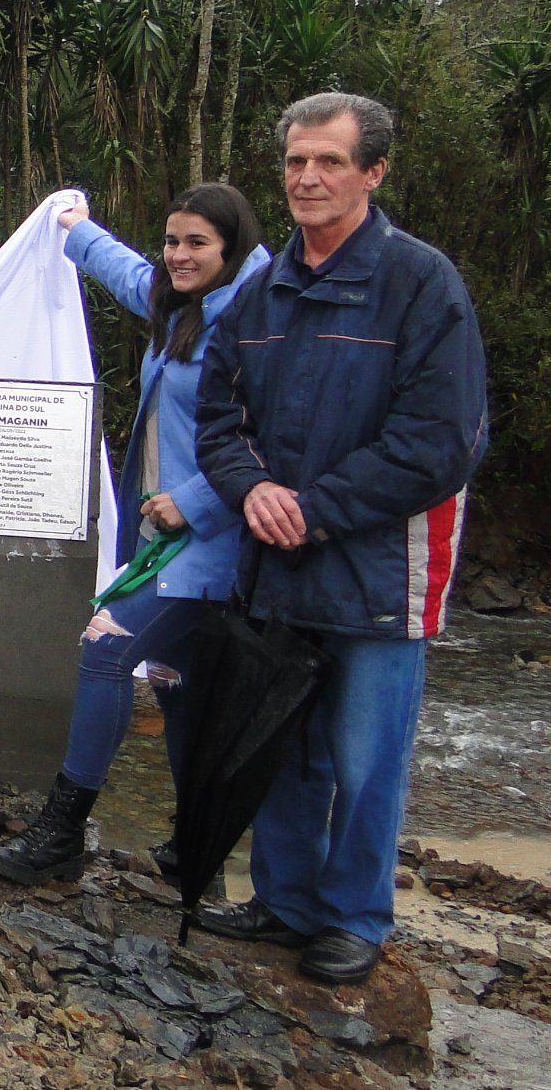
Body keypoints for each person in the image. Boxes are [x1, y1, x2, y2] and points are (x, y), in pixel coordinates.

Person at [191, 93, 487, 985]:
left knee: (367, 758)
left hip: (377, 570)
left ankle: (355, 915)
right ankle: (284, 901)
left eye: (328, 161)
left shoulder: (422, 282)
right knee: (283, 740)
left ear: (373, 172)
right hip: (278, 562)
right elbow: (218, 419)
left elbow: (443, 441)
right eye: (294, 162)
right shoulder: (262, 288)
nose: (308, 178)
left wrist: (311, 507)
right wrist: (256, 492)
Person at [0, 184, 271, 886]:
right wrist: (75, 230)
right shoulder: (183, 306)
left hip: (214, 539)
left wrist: (196, 501)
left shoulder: (259, 320)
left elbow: (277, 437)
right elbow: (134, 276)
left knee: (108, 646)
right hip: (162, 537)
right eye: (172, 239)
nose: (178, 254)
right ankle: (194, 845)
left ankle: (61, 829)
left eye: (197, 242)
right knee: (176, 683)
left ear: (231, 248)